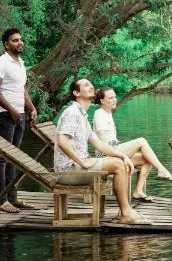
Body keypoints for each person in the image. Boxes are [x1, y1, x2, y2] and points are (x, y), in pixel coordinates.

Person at [54, 79, 152, 225]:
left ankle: (126, 211)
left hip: (78, 167)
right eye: (86, 84)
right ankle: (126, 213)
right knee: (118, 165)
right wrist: (81, 161)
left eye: (91, 84)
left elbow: (98, 144)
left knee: (120, 161)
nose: (91, 86)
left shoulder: (82, 115)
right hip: (68, 171)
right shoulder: (72, 113)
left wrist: (123, 155)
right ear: (76, 93)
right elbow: (62, 141)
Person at [92, 87, 172, 203]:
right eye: (110, 98)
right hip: (106, 155)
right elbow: (102, 139)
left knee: (147, 159)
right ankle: (162, 170)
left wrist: (122, 149)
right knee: (141, 141)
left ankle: (138, 191)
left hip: (115, 150)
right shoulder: (99, 113)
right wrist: (120, 153)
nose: (114, 100)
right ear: (102, 101)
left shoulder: (108, 113)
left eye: (115, 97)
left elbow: (112, 138)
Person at [0, 28, 38, 213]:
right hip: (5, 115)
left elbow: (22, 90)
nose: (19, 42)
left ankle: (12, 197)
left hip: (19, 114)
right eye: (15, 40)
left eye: (20, 39)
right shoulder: (2, 62)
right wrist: (11, 110)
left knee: (14, 159)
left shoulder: (21, 62)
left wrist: (31, 108)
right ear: (7, 44)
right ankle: (1, 200)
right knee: (2, 159)